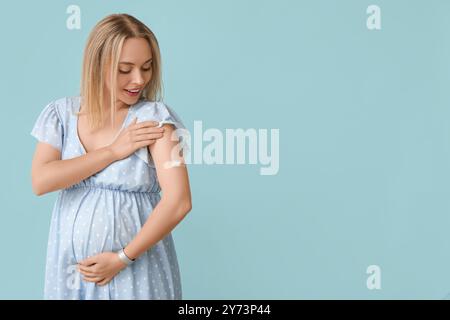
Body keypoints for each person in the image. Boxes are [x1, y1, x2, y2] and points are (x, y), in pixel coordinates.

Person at [30, 13, 192, 300]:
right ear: (98, 65)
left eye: (146, 67)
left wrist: (122, 258)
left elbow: (179, 202)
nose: (139, 79)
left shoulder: (155, 120)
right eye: (124, 69)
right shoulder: (62, 115)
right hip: (70, 273)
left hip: (135, 272)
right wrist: (113, 152)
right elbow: (42, 180)